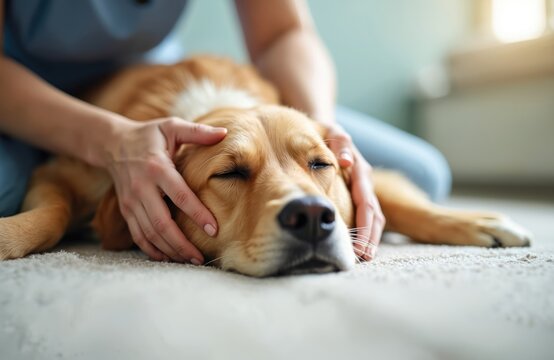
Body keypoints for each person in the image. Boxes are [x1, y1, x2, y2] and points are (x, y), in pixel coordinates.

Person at [0, 0, 451, 265]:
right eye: (234, 174)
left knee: (422, 173)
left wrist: (316, 130)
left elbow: (284, 32)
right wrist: (115, 143)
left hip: (150, 72)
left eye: (314, 165)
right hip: (16, 88)